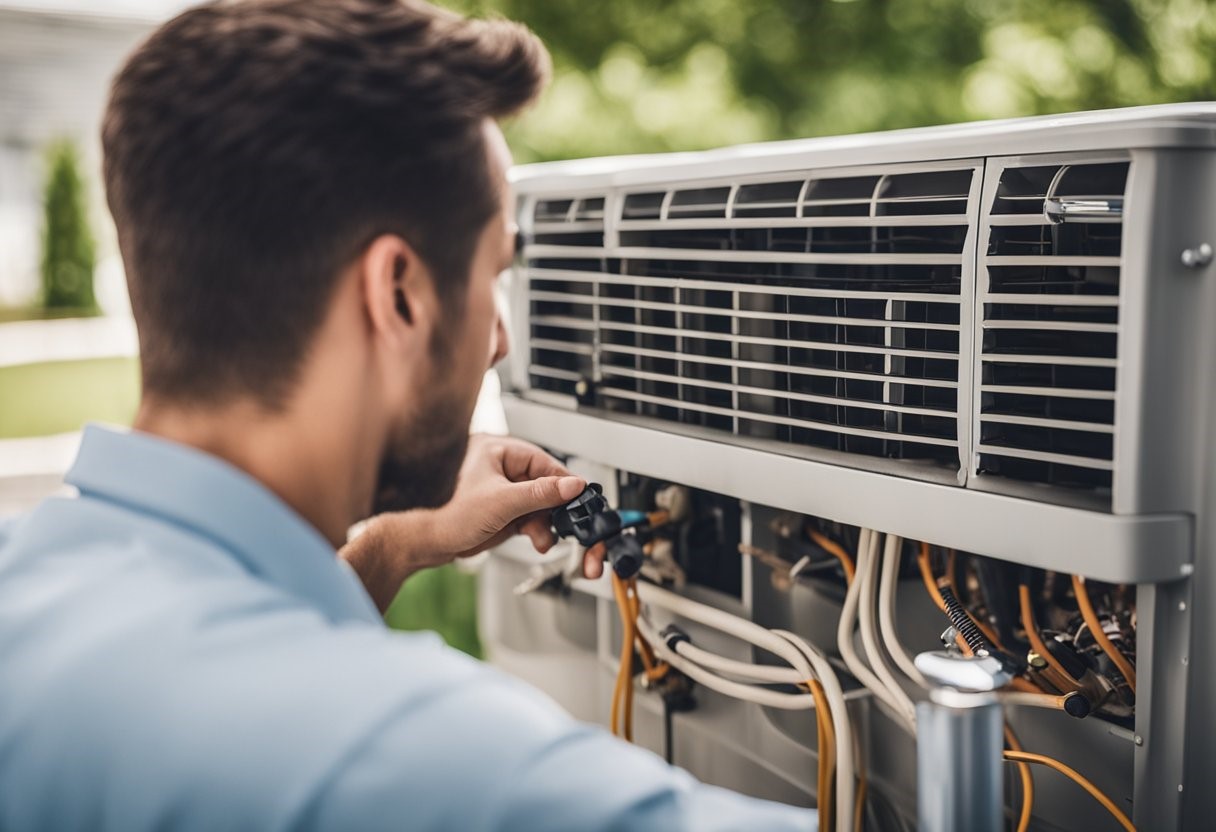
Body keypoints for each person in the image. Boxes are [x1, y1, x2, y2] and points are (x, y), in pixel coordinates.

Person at [0, 1, 815, 829]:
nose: (500, 340)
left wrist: (392, 544)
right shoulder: (439, 768)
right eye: (492, 275)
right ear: (399, 295)